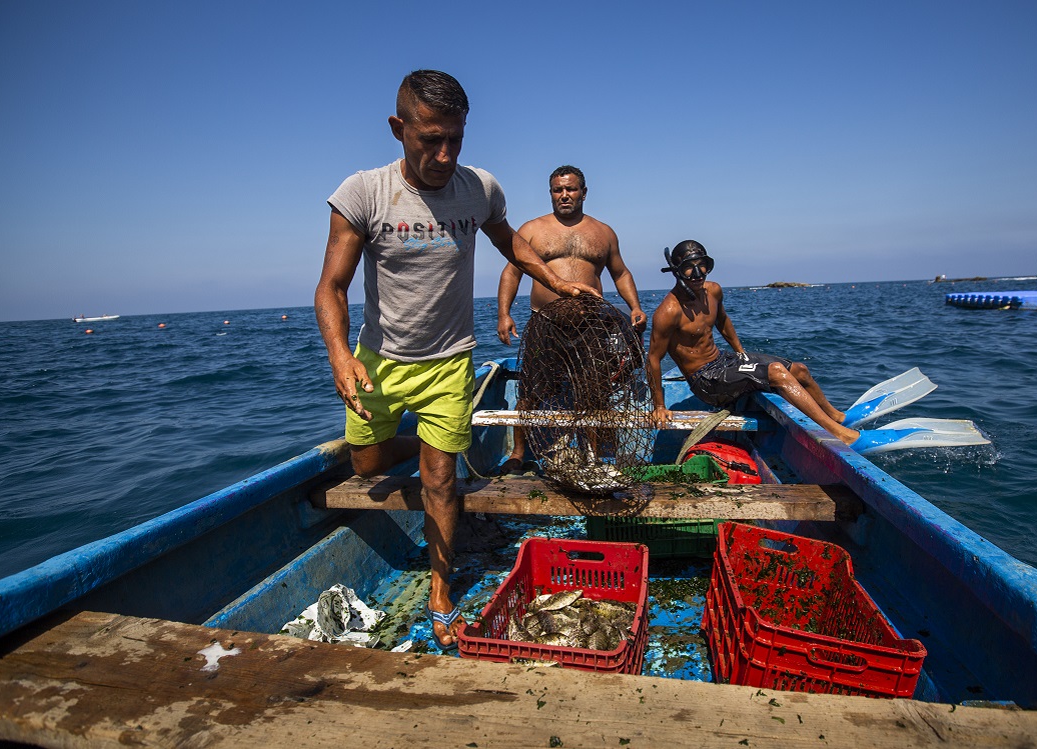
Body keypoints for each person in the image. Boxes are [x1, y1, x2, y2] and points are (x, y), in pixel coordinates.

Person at [314, 70, 596, 651]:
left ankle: (441, 590)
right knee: (366, 465)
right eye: (430, 139)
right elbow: (331, 288)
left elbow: (510, 242)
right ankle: (425, 443)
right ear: (399, 128)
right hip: (380, 359)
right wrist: (340, 356)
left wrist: (554, 281)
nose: (444, 155)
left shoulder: (479, 188)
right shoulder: (362, 194)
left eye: (456, 140)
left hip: (450, 359)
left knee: (440, 477)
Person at [495, 165, 646, 474]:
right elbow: (512, 272)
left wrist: (635, 306)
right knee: (529, 392)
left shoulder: (603, 232)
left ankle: (592, 454)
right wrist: (504, 313)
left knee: (593, 392)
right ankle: (518, 453)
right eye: (557, 190)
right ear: (551, 193)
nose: (564, 195)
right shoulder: (532, 230)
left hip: (591, 325)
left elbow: (621, 272)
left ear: (583, 193)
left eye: (571, 189)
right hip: (544, 322)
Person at [645, 240, 862, 446]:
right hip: (704, 380)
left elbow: (723, 321)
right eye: (689, 268)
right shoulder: (669, 311)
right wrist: (659, 406)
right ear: (677, 271)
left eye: (702, 265)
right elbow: (653, 359)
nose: (698, 274)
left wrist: (741, 353)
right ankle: (838, 435)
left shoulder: (713, 291)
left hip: (722, 361)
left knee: (800, 370)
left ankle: (837, 417)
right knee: (777, 372)